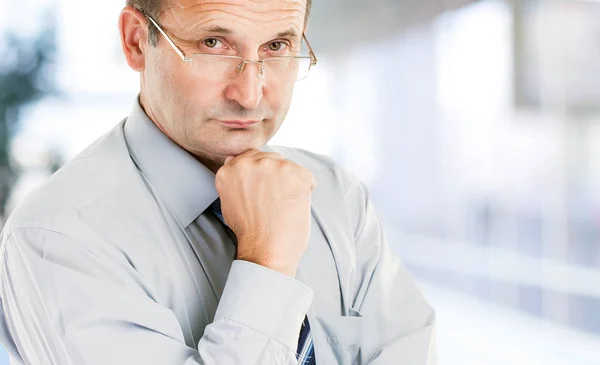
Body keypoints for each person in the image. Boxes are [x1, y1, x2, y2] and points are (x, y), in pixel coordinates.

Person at [0, 0, 436, 364]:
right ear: (137, 41)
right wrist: (267, 261)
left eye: (277, 45)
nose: (249, 94)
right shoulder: (59, 237)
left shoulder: (337, 196)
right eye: (214, 43)